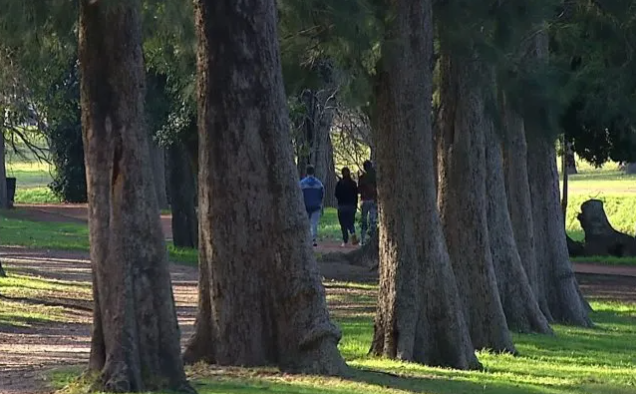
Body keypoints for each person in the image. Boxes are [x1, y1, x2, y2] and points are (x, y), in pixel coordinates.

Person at [300, 165, 324, 247]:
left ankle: (304, 239)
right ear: (314, 172)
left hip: (305, 205)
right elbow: (321, 195)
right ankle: (313, 239)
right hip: (316, 206)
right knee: (314, 223)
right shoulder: (319, 183)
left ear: (306, 172)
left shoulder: (302, 183)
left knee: (305, 222)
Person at [335, 167, 359, 247]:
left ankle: (345, 240)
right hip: (351, 206)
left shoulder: (339, 184)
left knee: (343, 224)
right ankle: (353, 235)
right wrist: (355, 205)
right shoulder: (353, 184)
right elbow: (356, 195)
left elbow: (336, 194)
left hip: (342, 206)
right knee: (351, 223)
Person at [358, 160, 377, 245]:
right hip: (373, 200)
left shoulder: (362, 178)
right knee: (373, 220)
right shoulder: (375, 177)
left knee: (364, 220)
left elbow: (359, 190)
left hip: (364, 200)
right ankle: (373, 240)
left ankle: (363, 239)